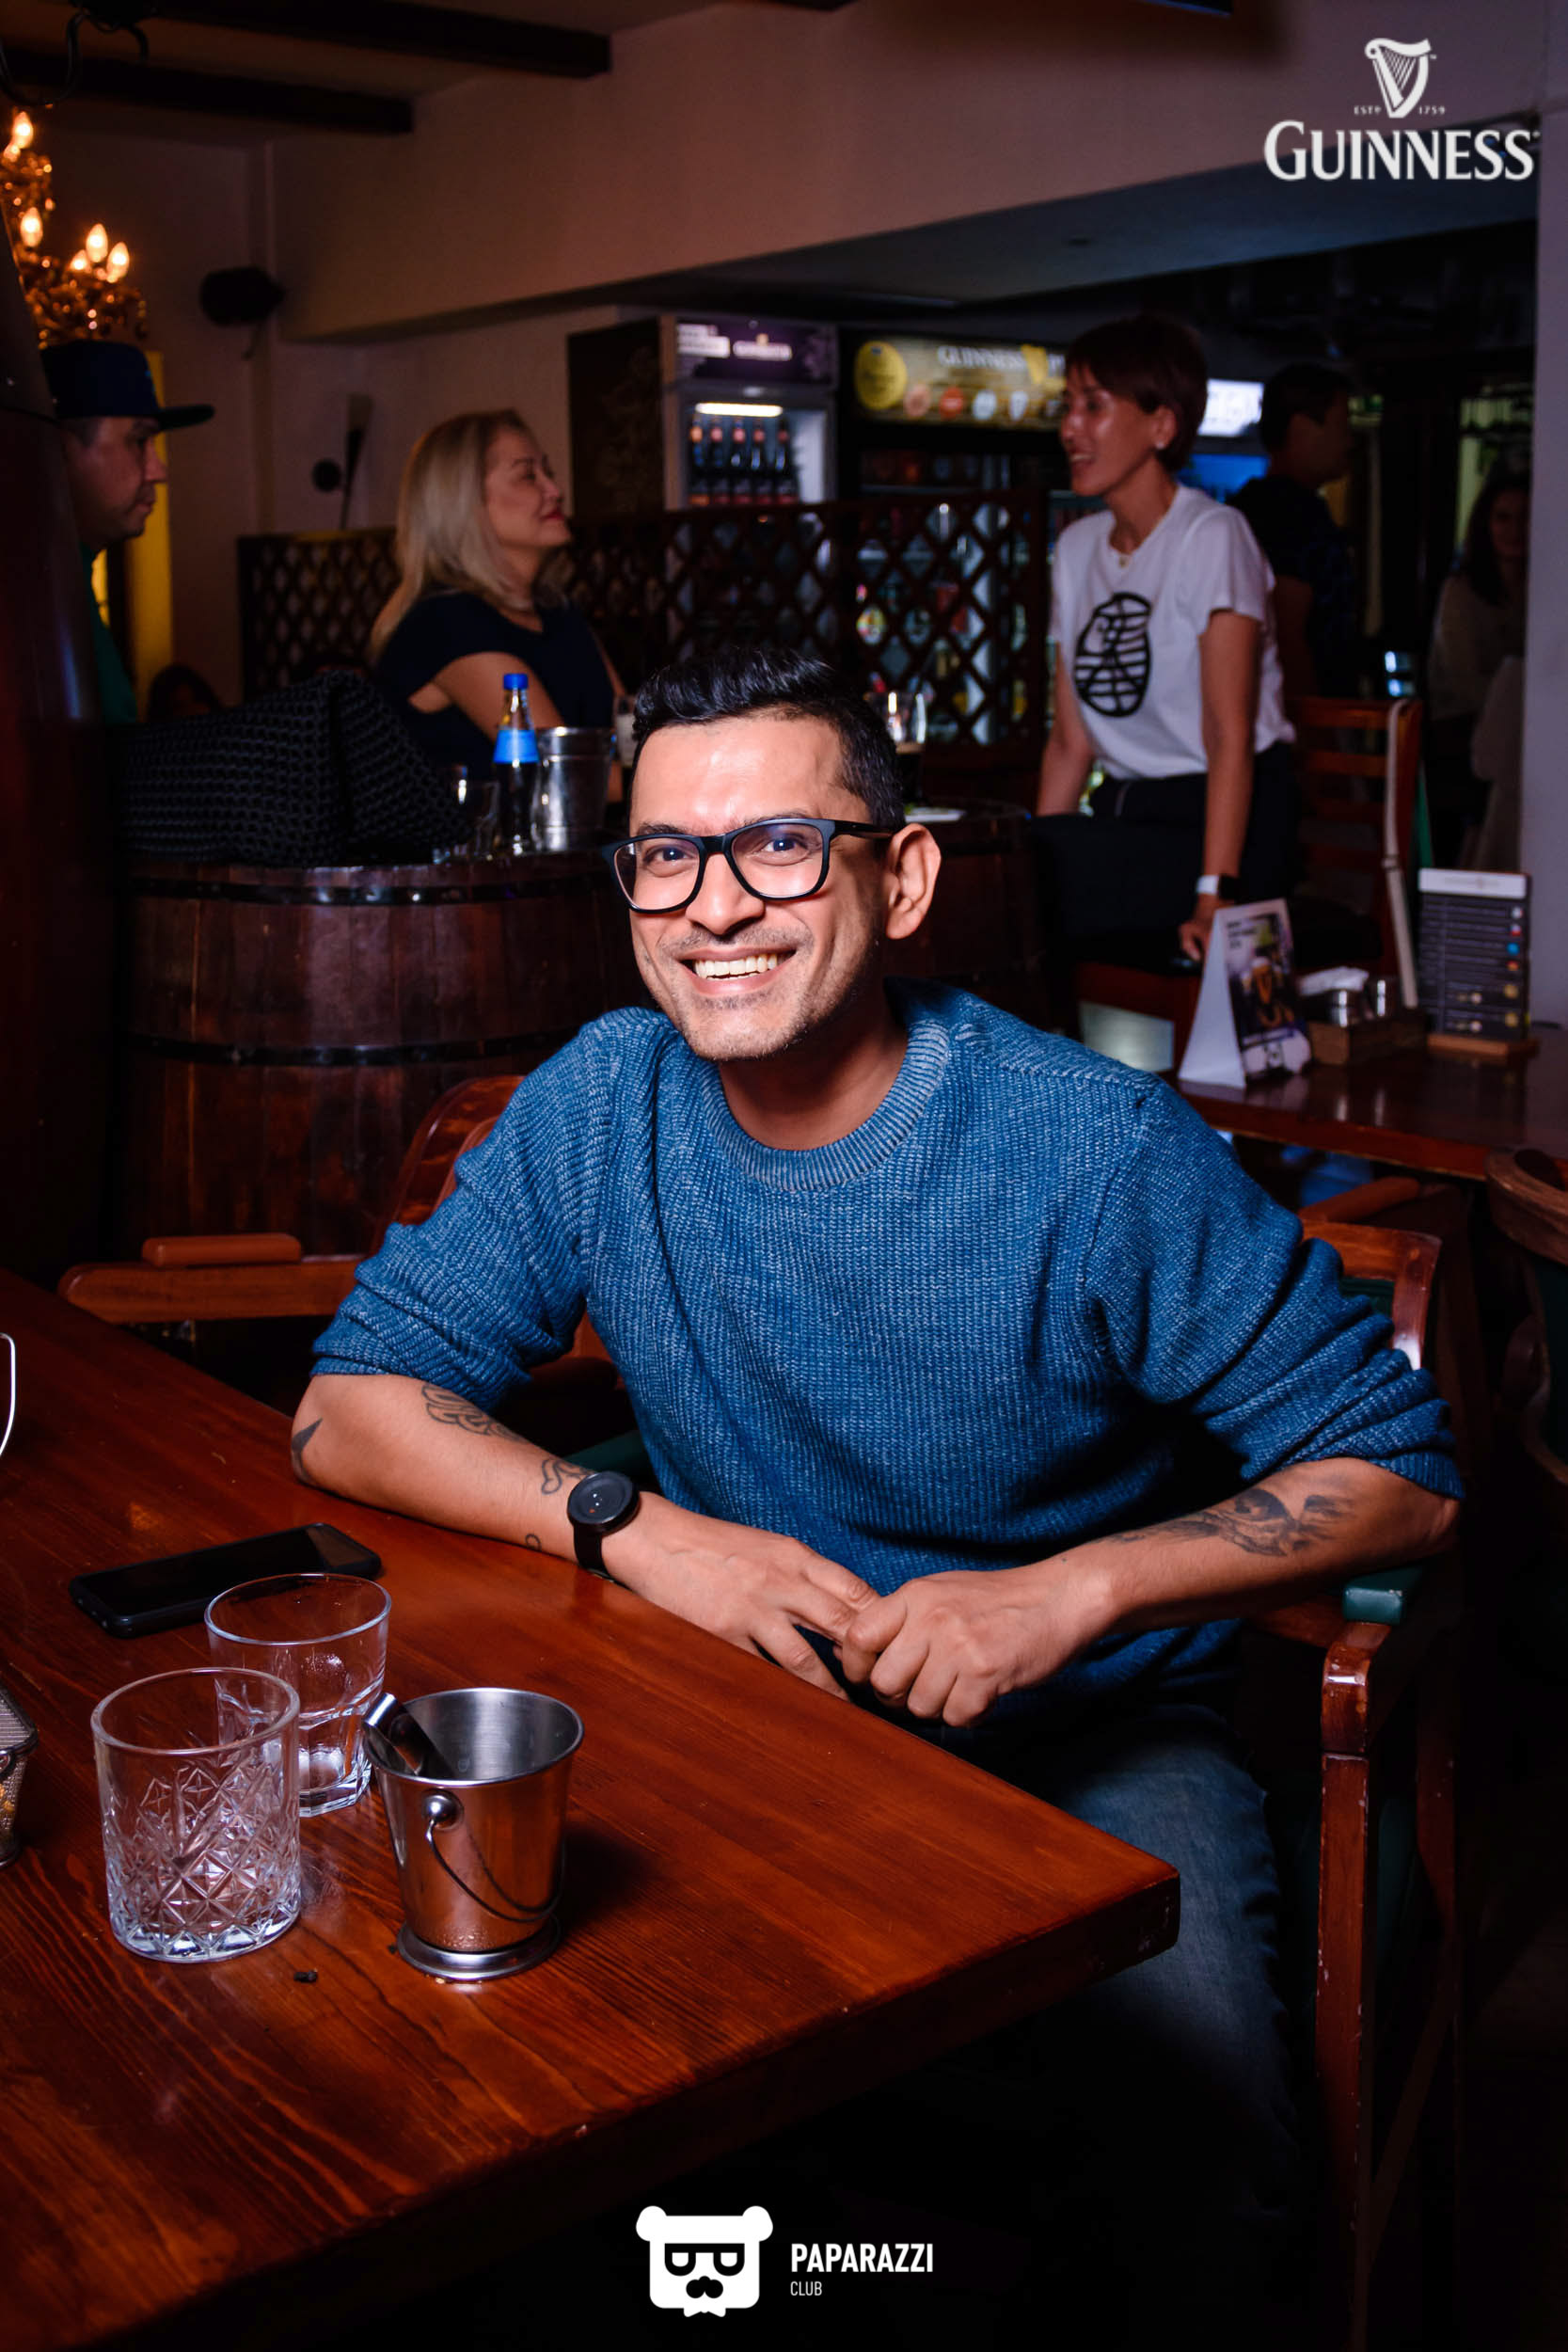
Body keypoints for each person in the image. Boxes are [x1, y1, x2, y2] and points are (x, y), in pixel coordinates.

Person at [293, 644, 1457, 2343]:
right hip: (752, 1713)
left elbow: (1402, 1477)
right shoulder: (604, 1101)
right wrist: (638, 1528)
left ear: (899, 879)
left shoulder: (1088, 1148)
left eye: (779, 845)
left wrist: (1072, 1592)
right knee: (537, 2095)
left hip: (1090, 1743)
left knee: (1199, 2165)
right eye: (666, 856)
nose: (713, 906)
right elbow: (345, 1408)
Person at [1034, 315, 1296, 965]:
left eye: (1094, 406)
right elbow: (1069, 743)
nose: (1070, 429)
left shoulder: (1213, 536)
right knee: (1009, 874)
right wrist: (1031, 867)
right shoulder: (1077, 549)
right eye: (1068, 406)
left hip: (1228, 826)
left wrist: (1214, 896)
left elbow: (1228, 733)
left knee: (1047, 878)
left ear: (1162, 425)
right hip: (1129, 818)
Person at [370, 407, 623, 772]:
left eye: (548, 473)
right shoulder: (446, 624)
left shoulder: (557, 610)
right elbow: (565, 774)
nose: (556, 491)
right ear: (464, 502)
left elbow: (628, 727)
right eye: (527, 476)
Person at [42, 339, 214, 727]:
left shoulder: (69, 584)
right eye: (139, 441)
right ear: (59, 448)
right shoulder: (32, 599)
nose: (158, 471)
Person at [1231, 362, 1360, 699]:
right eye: (1342, 426)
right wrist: (1312, 721)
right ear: (1302, 428)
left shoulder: (1254, 506)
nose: (1349, 441)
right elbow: (1287, 632)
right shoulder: (1288, 513)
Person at [1425, 464, 1529, 864]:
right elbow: (1464, 680)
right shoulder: (1461, 592)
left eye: (1524, 517)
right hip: (1464, 736)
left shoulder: (1544, 592)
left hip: (1524, 736)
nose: (1515, 529)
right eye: (1503, 518)